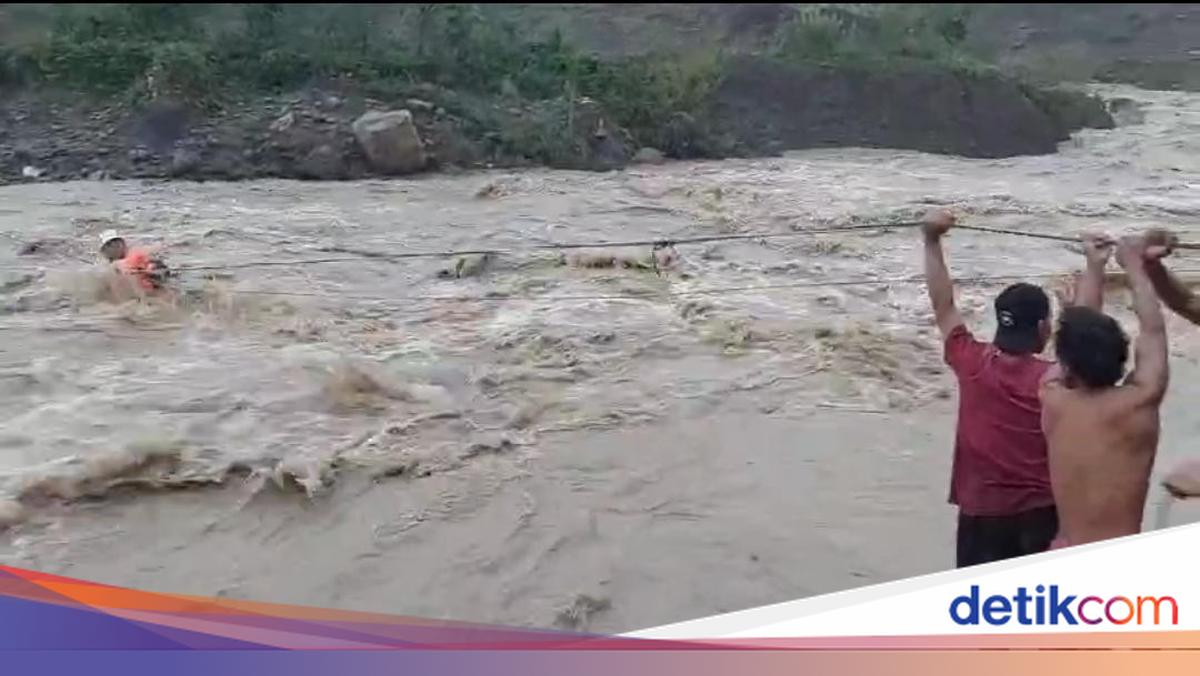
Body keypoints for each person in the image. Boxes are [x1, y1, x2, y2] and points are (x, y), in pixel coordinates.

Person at [921, 210, 1099, 567]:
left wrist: (931, 240)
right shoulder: (1053, 379)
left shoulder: (971, 362)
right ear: (1044, 327)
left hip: (980, 517)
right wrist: (1094, 265)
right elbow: (1087, 340)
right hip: (1040, 516)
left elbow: (944, 307)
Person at [1040, 234, 1169, 547]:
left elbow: (1074, 336)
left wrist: (1094, 267)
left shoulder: (1051, 395)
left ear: (1068, 365)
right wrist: (1135, 267)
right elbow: (1153, 329)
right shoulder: (1140, 401)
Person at [99, 230, 170, 292]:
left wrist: (147, 271)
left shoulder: (136, 255)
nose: (114, 247)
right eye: (110, 246)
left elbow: (159, 269)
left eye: (115, 244)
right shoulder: (110, 267)